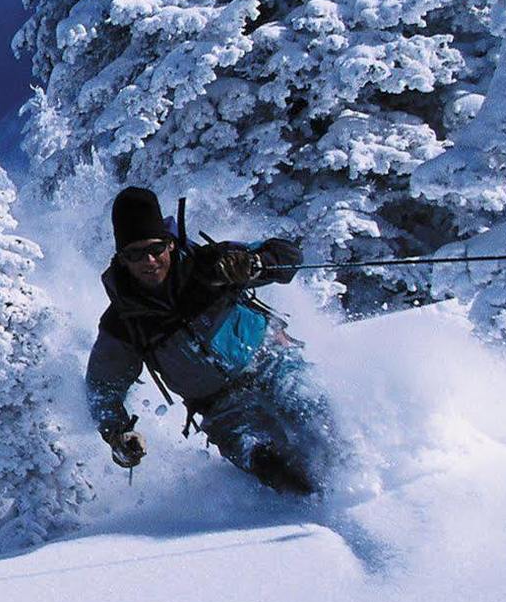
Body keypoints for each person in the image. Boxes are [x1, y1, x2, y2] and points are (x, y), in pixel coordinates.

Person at [86, 187, 339, 495]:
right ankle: (316, 511)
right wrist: (118, 435)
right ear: (122, 259)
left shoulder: (209, 264)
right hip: (223, 411)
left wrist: (256, 262)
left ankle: (362, 479)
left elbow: (288, 256)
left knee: (316, 415)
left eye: (155, 248)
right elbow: (102, 389)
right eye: (135, 254)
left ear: (169, 243)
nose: (149, 261)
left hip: (271, 363)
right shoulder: (123, 322)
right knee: (273, 467)